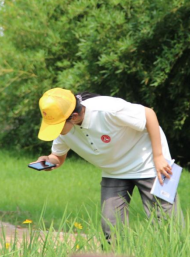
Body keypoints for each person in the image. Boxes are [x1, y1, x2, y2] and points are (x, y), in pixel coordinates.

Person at [32, 88, 182, 240]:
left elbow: (149, 114)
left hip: (149, 163)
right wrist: (48, 161)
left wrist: (158, 156)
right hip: (114, 171)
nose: (55, 130)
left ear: (74, 116)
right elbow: (58, 157)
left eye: (57, 125)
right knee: (111, 227)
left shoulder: (107, 109)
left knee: (166, 223)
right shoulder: (64, 131)